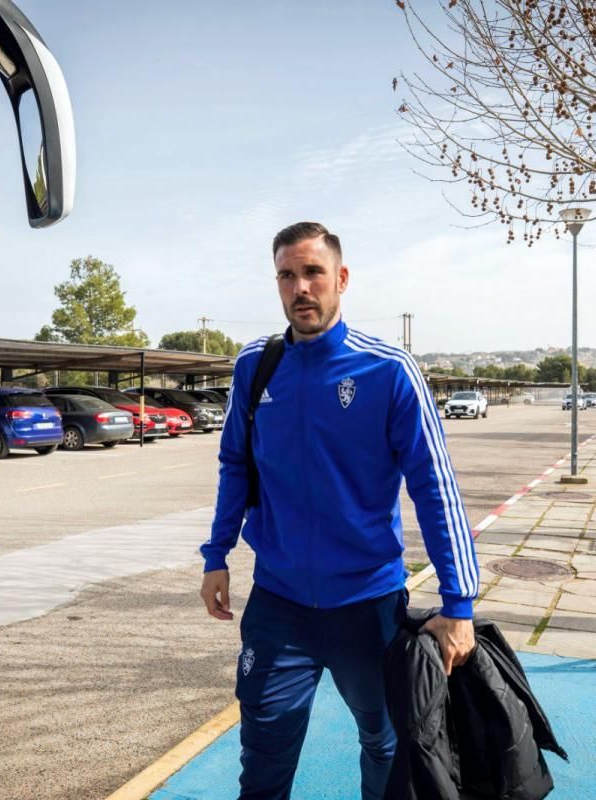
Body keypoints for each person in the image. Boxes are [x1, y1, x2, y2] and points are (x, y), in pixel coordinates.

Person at [200, 222, 480, 800]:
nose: (300, 287)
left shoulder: (389, 370)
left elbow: (435, 488)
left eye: (312, 272)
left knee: (383, 745)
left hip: (368, 608)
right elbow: (235, 464)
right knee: (263, 761)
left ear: (341, 279)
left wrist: (459, 602)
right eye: (286, 275)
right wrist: (217, 554)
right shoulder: (256, 366)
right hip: (279, 608)